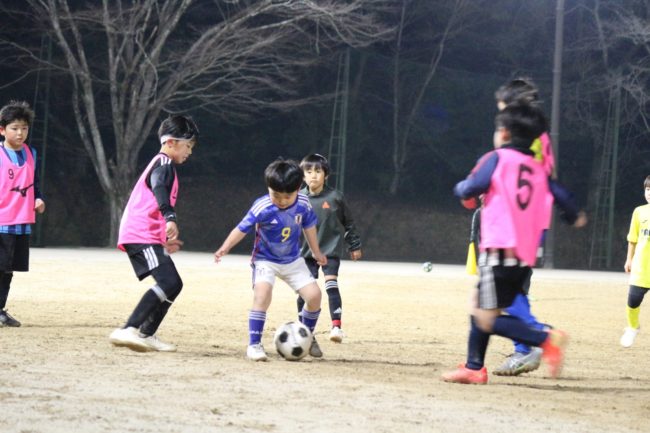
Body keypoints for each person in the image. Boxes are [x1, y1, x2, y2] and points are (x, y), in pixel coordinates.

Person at [442, 101, 584, 385]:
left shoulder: (497, 158)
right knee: (481, 304)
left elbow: (472, 187)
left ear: (504, 133)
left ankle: (545, 338)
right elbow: (563, 198)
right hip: (524, 254)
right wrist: (574, 215)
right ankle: (474, 367)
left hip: (499, 249)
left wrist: (460, 188)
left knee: (483, 316)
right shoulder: (537, 168)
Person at [214, 158, 327, 361]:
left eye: (287, 196)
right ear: (268, 188)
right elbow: (242, 228)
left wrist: (316, 251)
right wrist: (226, 246)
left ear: (298, 189)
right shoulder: (263, 206)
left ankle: (305, 336)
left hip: (293, 260)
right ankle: (254, 344)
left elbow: (309, 225)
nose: (282, 201)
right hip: (265, 260)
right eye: (276, 195)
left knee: (314, 296)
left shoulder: (303, 203)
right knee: (262, 295)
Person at [109, 115, 198, 352]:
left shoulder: (164, 164)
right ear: (171, 142)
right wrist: (170, 216)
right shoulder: (163, 163)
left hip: (146, 235)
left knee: (174, 284)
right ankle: (128, 328)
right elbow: (158, 186)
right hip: (141, 234)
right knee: (168, 281)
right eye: (187, 145)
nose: (189, 151)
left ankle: (146, 333)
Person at [296, 153, 362, 343]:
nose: (313, 175)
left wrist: (354, 245)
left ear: (326, 175)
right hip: (305, 253)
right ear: (303, 176)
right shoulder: (298, 198)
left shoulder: (335, 197)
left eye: (318, 171)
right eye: (309, 171)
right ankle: (302, 328)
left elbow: (349, 223)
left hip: (329, 251)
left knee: (331, 286)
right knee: (304, 291)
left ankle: (336, 327)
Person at [0, 101, 46, 327]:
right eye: (15, 128)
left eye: (24, 128)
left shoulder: (31, 154)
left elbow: (34, 185)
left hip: (21, 223)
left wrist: (38, 198)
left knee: (8, 269)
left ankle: (0, 310)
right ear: (2, 130)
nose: (20, 133)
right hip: (1, 222)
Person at [620, 175, 650, 347]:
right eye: (647, 189)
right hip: (642, 266)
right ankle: (632, 327)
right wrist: (629, 259)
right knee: (633, 300)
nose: (649, 193)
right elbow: (633, 238)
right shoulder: (639, 212)